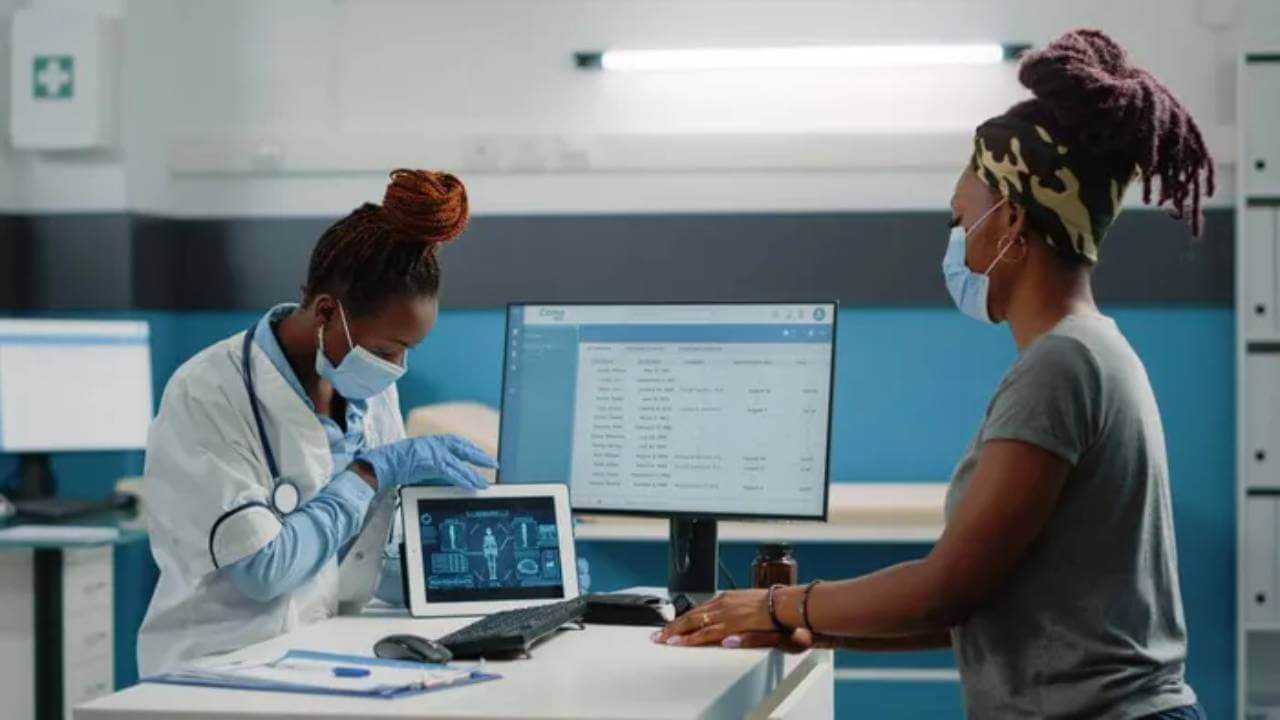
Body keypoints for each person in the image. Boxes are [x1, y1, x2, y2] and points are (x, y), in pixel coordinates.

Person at [655, 29, 1212, 720]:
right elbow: (981, 603)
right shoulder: (1094, 351)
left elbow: (946, 589)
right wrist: (810, 623)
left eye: (961, 217)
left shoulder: (1062, 364)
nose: (955, 239)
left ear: (1011, 220)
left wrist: (777, 601)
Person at [138, 169, 496, 676]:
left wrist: (492, 574)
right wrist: (368, 474)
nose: (395, 368)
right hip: (219, 665)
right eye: (385, 350)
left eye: (406, 352)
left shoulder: (372, 392)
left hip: (325, 648)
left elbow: (364, 559)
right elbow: (264, 571)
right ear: (327, 311)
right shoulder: (209, 391)